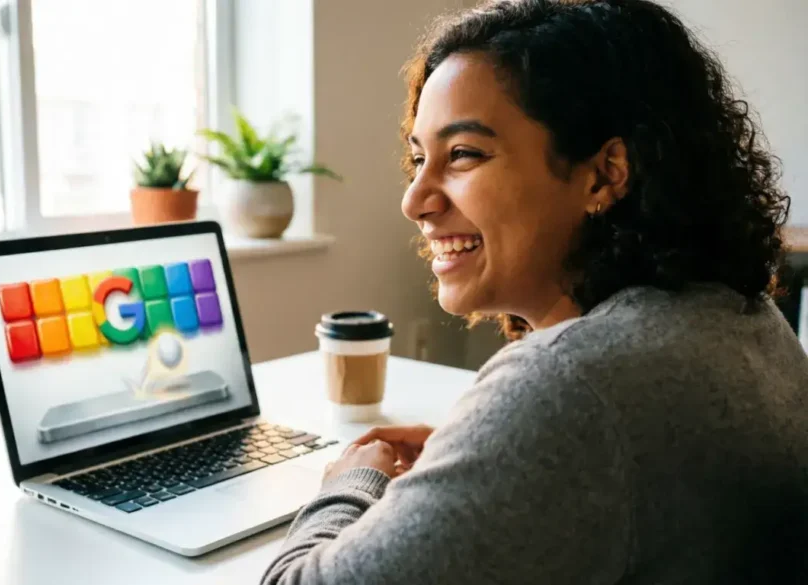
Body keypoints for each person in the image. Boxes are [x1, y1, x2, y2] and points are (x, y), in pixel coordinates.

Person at [261, 1, 808, 583]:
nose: (414, 200)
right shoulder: (742, 314)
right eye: (419, 158)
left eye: (463, 154)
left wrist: (351, 482)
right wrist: (487, 459)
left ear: (604, 173)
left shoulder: (565, 387)